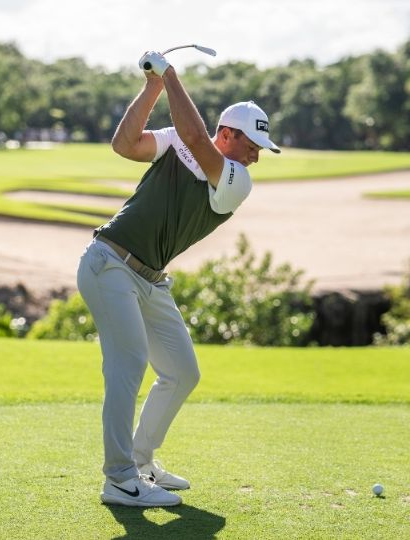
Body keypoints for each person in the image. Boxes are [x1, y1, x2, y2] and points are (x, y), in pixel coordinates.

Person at [77, 50, 280, 507]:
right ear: (226, 134)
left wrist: (169, 75)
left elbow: (193, 134)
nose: (255, 157)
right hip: (109, 262)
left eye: (260, 150)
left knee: (182, 372)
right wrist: (152, 87)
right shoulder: (177, 142)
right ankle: (120, 478)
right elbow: (124, 145)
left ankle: (141, 458)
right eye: (250, 145)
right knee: (127, 367)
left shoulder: (236, 180)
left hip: (149, 279)